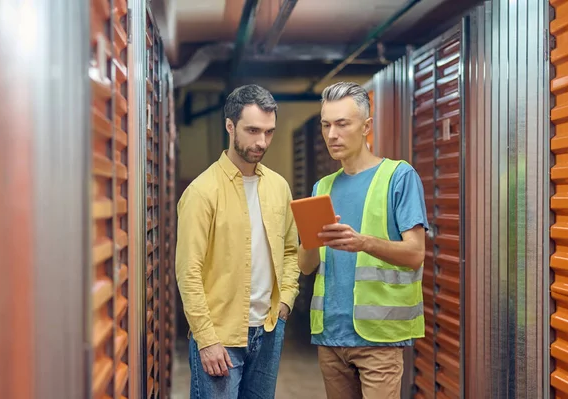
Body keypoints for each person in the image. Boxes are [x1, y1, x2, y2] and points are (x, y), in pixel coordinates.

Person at [298, 81, 428, 398]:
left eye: (342, 124)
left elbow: (415, 254)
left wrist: (364, 243)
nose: (332, 134)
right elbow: (306, 266)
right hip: (331, 336)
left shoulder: (399, 176)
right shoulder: (321, 188)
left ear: (366, 126)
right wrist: (311, 239)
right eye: (326, 125)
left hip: (379, 338)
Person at [175, 84, 300, 399]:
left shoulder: (279, 187)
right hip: (220, 337)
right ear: (230, 126)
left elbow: (289, 249)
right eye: (253, 130)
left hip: (269, 329)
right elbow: (188, 271)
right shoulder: (202, 192)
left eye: (269, 132)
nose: (262, 141)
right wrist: (205, 338)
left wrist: (285, 300)